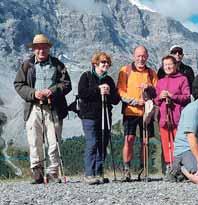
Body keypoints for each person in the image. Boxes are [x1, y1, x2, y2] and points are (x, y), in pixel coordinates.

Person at [14, 34, 71, 184]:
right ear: (33, 50)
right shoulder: (27, 65)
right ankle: (37, 173)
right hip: (33, 107)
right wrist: (34, 93)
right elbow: (18, 85)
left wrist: (52, 91)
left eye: (44, 47)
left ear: (48, 48)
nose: (41, 51)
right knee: (34, 140)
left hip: (53, 108)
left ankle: (53, 173)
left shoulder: (58, 65)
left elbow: (66, 84)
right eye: (38, 48)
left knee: (54, 141)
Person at [78, 52, 120, 185]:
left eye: (107, 62)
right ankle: (89, 174)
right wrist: (98, 89)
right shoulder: (86, 76)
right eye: (103, 62)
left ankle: (99, 172)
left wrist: (109, 93)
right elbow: (82, 94)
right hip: (89, 116)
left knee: (103, 143)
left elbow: (115, 100)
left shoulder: (109, 80)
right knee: (92, 143)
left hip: (105, 116)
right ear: (95, 63)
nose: (106, 65)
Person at [117, 45, 158, 182]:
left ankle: (143, 169)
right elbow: (120, 92)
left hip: (146, 112)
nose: (141, 59)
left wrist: (149, 87)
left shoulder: (152, 73)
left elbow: (156, 93)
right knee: (129, 140)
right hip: (130, 112)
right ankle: (127, 170)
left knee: (145, 141)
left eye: (143, 56)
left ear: (147, 56)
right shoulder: (125, 70)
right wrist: (135, 102)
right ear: (134, 56)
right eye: (138, 56)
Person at [155, 55, 191, 173]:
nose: (168, 67)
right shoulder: (160, 82)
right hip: (164, 117)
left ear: (175, 65)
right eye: (165, 65)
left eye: (170, 64)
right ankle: (169, 167)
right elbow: (156, 100)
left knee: (179, 143)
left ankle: (180, 168)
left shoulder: (183, 79)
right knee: (166, 144)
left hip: (178, 117)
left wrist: (172, 96)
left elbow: (187, 97)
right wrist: (160, 97)